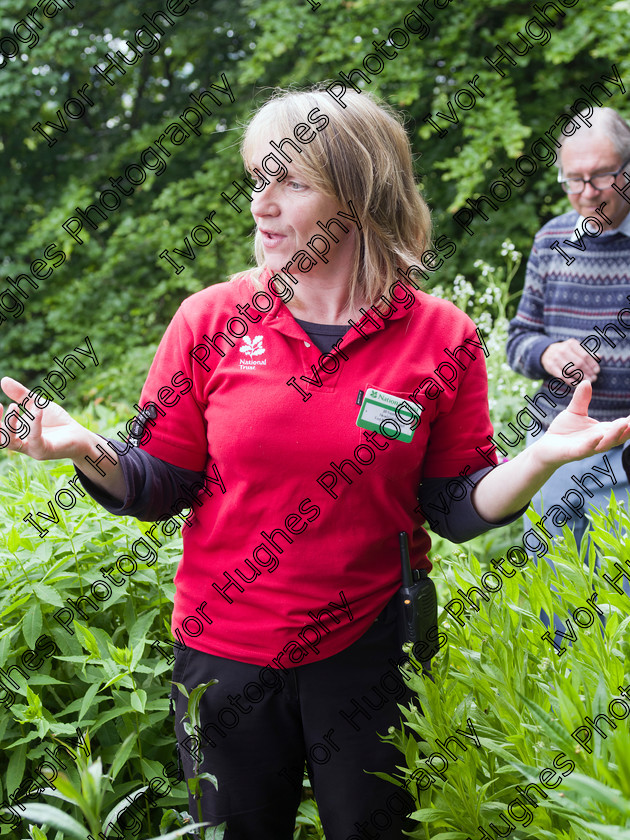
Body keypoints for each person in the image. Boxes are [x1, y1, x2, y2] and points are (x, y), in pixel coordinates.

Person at [3, 87, 630, 840]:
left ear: (359, 196)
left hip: (374, 652)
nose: (260, 205)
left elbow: (457, 506)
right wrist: (85, 447)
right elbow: (158, 482)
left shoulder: (441, 336)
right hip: (224, 650)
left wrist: (538, 459)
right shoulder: (210, 319)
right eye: (255, 179)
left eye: (289, 182)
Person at [507, 106, 630, 552]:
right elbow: (518, 339)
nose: (587, 192)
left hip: (623, 454)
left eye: (600, 176)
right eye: (573, 179)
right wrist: (547, 353)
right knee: (552, 598)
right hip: (553, 449)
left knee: (617, 605)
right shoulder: (550, 239)